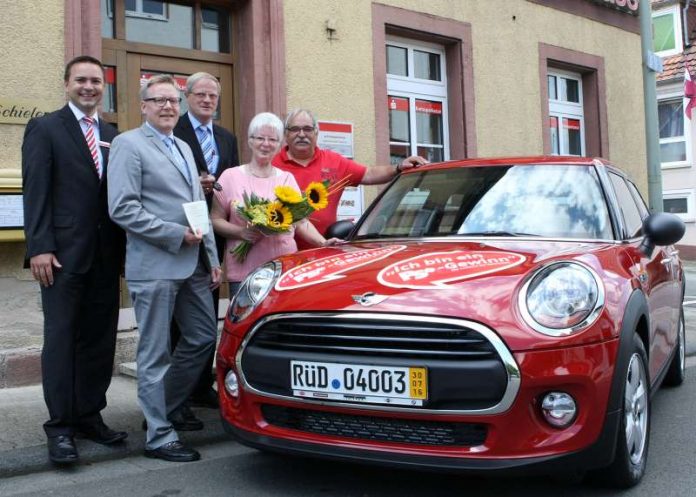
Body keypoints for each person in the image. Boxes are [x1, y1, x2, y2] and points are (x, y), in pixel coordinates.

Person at [107, 74, 221, 463]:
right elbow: (122, 208)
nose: (168, 107)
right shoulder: (128, 144)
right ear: (143, 105)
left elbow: (196, 207)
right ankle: (159, 435)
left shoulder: (184, 148)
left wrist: (213, 258)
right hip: (155, 265)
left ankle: (164, 408)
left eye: (173, 100)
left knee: (203, 337)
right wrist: (175, 235)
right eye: (159, 100)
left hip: (193, 266)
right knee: (154, 353)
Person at [22, 55, 127, 465]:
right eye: (81, 80)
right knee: (63, 340)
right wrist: (39, 247)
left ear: (105, 87)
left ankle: (89, 415)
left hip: (105, 256)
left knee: (99, 340)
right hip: (61, 256)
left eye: (96, 81)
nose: (89, 87)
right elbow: (36, 191)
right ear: (66, 84)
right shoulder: (46, 128)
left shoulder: (112, 133)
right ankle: (60, 427)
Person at [172, 72, 240, 412]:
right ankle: (177, 394)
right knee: (178, 322)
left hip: (215, 241)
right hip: (179, 235)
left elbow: (233, 186)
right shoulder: (174, 130)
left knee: (208, 314)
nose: (208, 100)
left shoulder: (226, 138)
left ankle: (201, 385)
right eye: (201, 94)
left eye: (213, 95)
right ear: (187, 95)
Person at [211, 112, 338, 293]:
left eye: (272, 140)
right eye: (260, 138)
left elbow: (300, 221)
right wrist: (242, 233)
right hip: (244, 271)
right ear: (250, 141)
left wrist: (323, 243)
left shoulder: (286, 179)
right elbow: (215, 220)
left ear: (279, 145)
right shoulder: (230, 176)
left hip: (283, 268)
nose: (265, 144)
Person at [273, 108, 428, 248]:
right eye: (295, 129)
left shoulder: (333, 161)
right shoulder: (273, 166)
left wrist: (398, 167)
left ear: (316, 133)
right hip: (283, 252)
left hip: (325, 250)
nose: (301, 134)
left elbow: (368, 174)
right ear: (286, 134)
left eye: (307, 129)